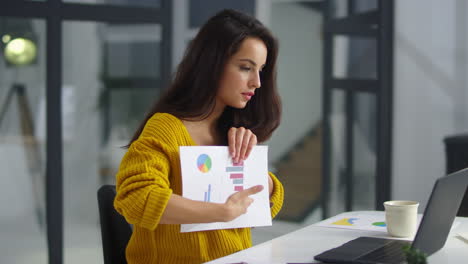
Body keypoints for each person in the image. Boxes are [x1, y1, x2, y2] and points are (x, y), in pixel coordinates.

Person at [114, 8, 284, 264]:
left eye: (260, 70)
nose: (257, 82)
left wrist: (251, 166)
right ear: (212, 64)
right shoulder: (166, 128)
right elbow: (134, 197)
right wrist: (220, 212)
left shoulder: (232, 131)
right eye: (246, 68)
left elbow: (265, 204)